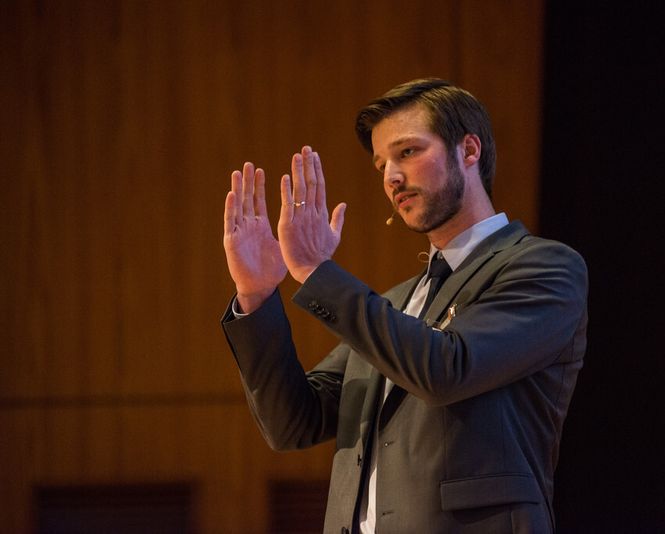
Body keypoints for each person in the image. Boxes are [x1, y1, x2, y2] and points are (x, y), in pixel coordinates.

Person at [221, 78, 588, 534]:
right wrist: (256, 295)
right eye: (381, 164)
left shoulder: (544, 267)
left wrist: (318, 272)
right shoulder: (396, 303)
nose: (391, 176)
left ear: (468, 151)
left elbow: (447, 369)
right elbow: (294, 423)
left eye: (408, 152)